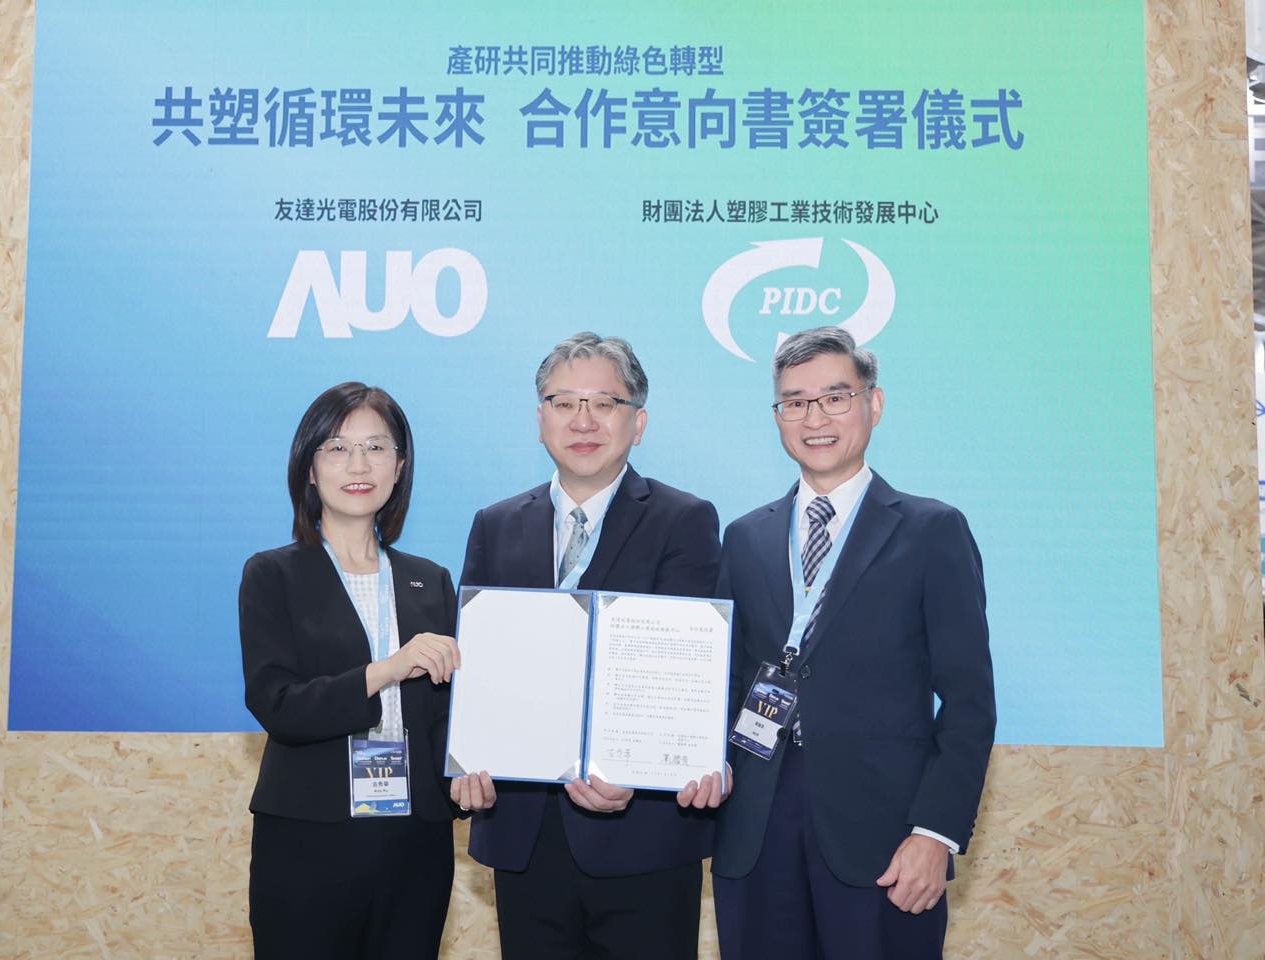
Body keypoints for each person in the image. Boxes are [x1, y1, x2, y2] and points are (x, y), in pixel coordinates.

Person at [711, 326, 996, 960]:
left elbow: (970, 703)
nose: (815, 419)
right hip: (756, 830)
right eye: (795, 402)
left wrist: (936, 833)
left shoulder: (932, 531)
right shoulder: (745, 537)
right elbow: (724, 684)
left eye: (835, 397)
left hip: (885, 838)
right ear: (778, 415)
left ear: (874, 403)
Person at [450, 332, 726, 960]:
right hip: (522, 831)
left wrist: (636, 770)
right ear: (540, 418)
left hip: (642, 837)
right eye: (564, 402)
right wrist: (465, 763)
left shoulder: (683, 520)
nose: (583, 421)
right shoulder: (496, 524)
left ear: (638, 423)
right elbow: (475, 667)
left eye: (604, 403)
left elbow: (683, 671)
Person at [238, 382, 463, 960]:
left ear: (400, 467)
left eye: (377, 448)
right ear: (309, 468)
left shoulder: (431, 581)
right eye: (337, 448)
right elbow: (278, 704)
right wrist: (386, 670)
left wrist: (468, 778)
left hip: (415, 842)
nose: (358, 465)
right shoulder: (272, 575)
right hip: (310, 838)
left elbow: (449, 718)